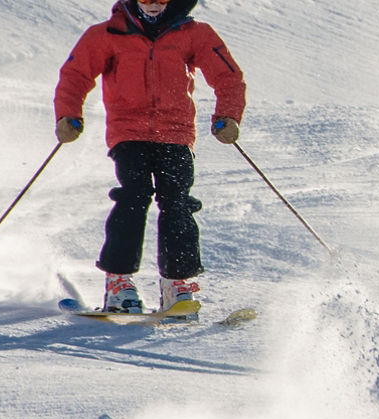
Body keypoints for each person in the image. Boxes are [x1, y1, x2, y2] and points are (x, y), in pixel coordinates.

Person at [52, 0, 246, 314]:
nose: (153, 5)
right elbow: (75, 76)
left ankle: (177, 286)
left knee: (177, 201)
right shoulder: (108, 34)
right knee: (133, 196)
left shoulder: (194, 33)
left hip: (176, 132)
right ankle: (119, 282)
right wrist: (67, 116)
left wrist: (228, 117)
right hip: (128, 131)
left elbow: (228, 78)